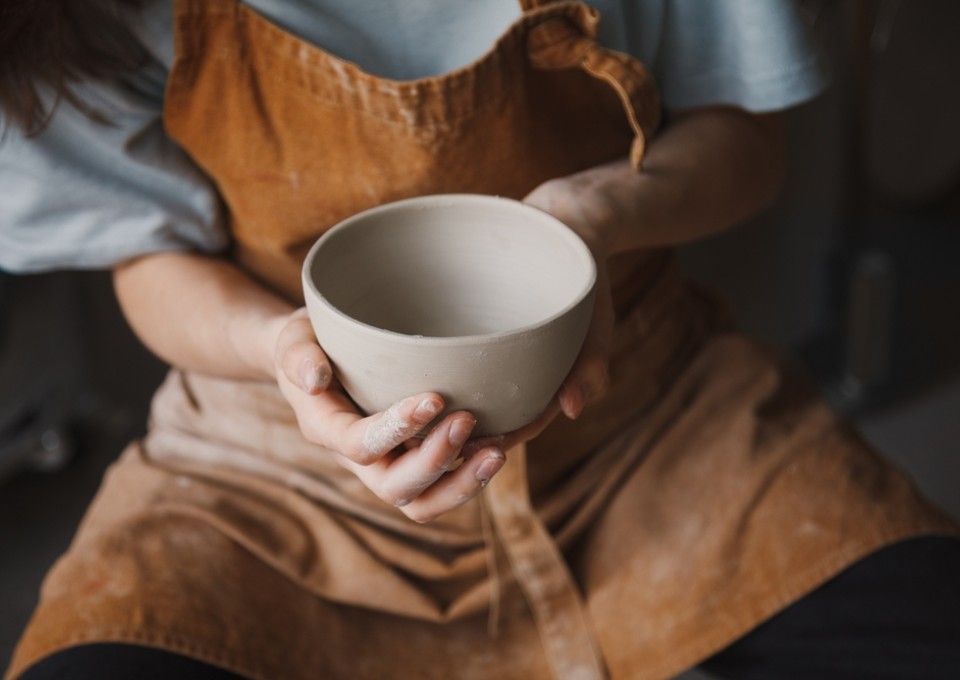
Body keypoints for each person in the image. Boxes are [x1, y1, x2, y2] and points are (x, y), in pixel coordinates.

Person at [2, 1, 959, 678]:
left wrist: (596, 214)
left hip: (646, 415)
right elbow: (144, 258)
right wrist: (282, 351)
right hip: (269, 461)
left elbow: (746, 144)